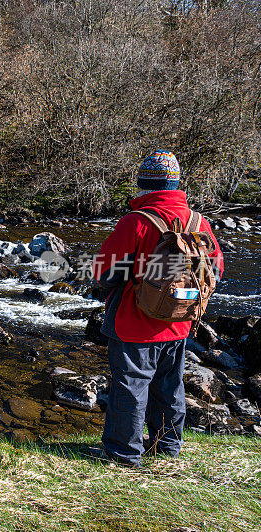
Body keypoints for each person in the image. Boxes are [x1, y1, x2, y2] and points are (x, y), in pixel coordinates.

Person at [91, 149, 224, 467]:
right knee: (169, 385)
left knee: (131, 387)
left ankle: (124, 454)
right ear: (175, 184)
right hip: (180, 321)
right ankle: (167, 448)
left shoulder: (136, 221)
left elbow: (103, 273)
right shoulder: (197, 221)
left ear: (144, 184)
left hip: (134, 323)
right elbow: (216, 271)